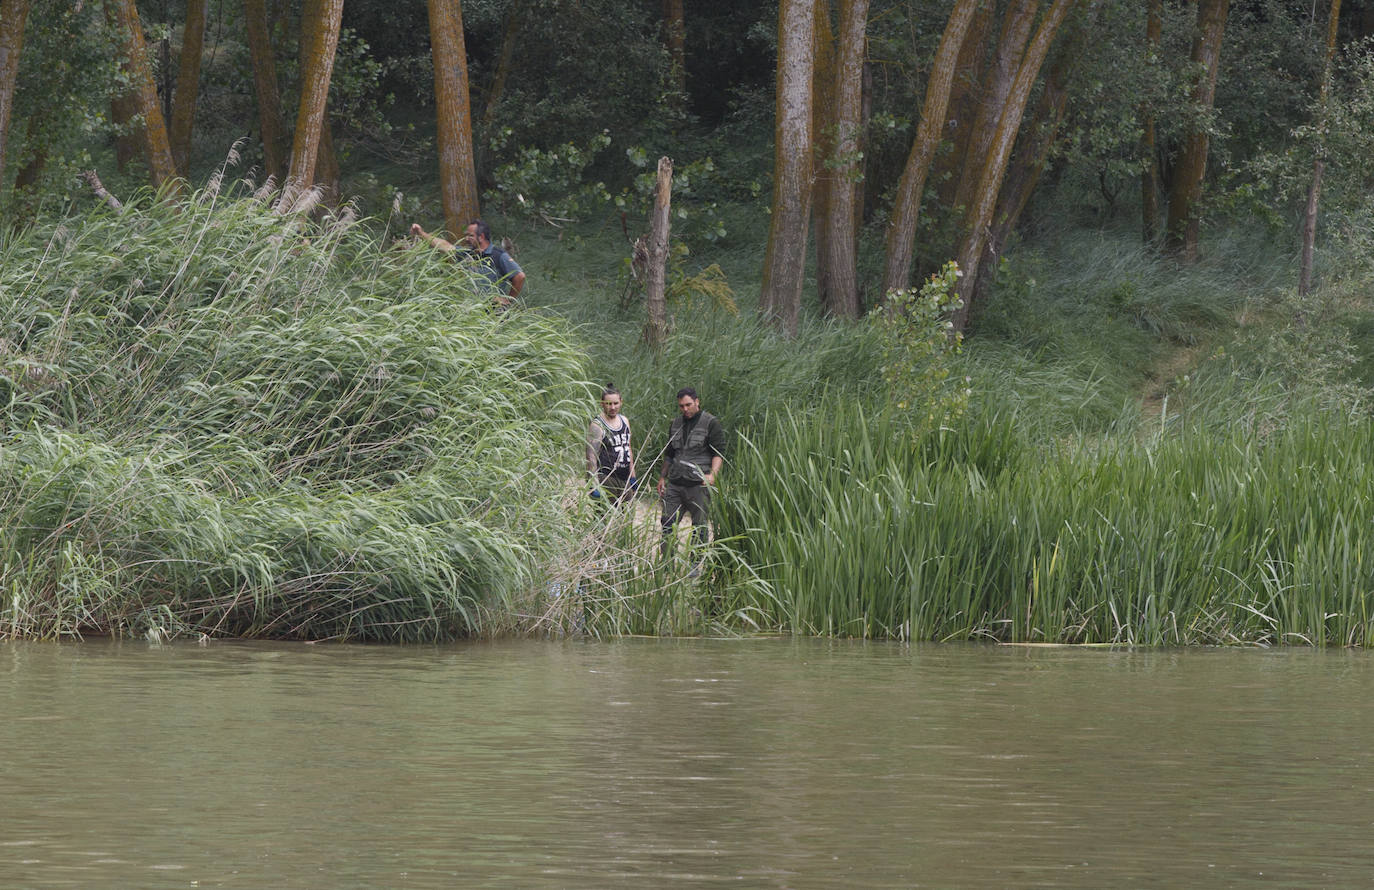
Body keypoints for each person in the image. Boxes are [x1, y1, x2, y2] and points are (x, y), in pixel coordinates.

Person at [657, 387, 724, 559]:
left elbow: (719, 453)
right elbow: (670, 454)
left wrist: (713, 475)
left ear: (697, 402)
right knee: (667, 523)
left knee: (699, 526)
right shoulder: (675, 424)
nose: (685, 409)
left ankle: (694, 565)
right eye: (681, 406)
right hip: (675, 483)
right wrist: (662, 477)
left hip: (698, 485)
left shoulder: (711, 423)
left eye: (688, 405)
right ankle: (667, 563)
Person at [410, 218, 526, 309]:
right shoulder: (467, 253)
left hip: (493, 312)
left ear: (481, 237)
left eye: (470, 235)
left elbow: (520, 276)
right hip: (470, 311)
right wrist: (421, 233)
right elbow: (445, 246)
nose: (466, 239)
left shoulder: (498, 255)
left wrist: (507, 300)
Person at [587, 385, 637, 506]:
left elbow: (628, 448)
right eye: (609, 404)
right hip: (606, 477)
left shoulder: (624, 421)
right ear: (602, 404)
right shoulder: (597, 425)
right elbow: (591, 456)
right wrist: (593, 483)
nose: (613, 407)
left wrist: (633, 476)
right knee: (605, 516)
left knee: (627, 516)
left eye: (616, 403)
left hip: (625, 477)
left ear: (621, 402)